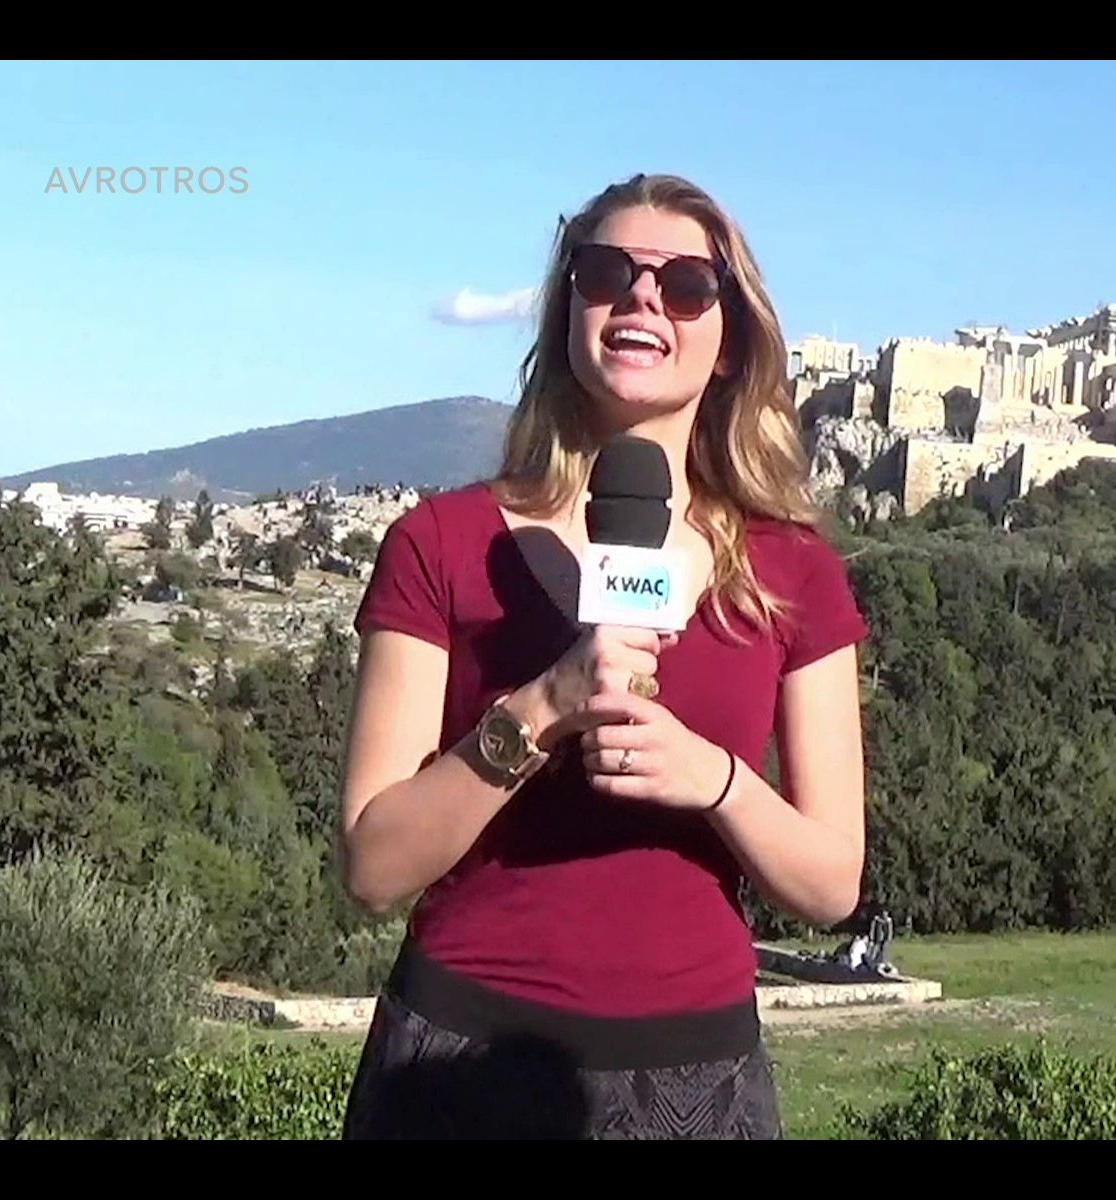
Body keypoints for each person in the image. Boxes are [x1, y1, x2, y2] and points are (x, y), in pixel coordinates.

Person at [336, 173, 869, 1139]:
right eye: (608, 273)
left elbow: (832, 886)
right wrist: (540, 709)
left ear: (730, 340)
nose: (643, 299)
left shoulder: (795, 571)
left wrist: (714, 780)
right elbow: (373, 866)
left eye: (687, 285)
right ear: (568, 307)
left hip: (695, 1076)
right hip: (457, 1066)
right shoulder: (439, 544)